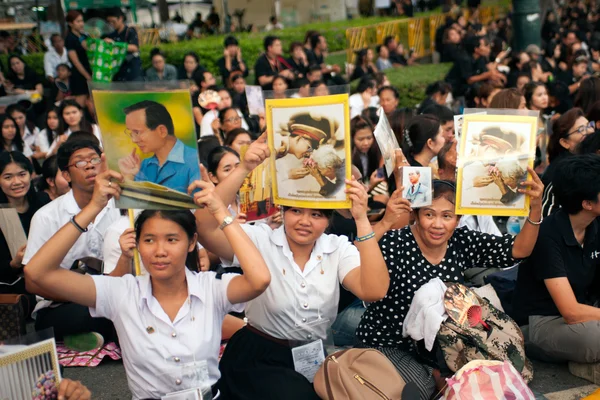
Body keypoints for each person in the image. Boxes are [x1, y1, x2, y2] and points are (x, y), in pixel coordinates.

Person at [24, 161, 271, 399]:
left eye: (172, 239)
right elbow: (38, 272)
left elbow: (259, 279)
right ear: (137, 243)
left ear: (192, 242)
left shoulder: (210, 288)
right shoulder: (121, 293)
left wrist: (219, 212)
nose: (160, 251)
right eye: (149, 240)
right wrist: (93, 207)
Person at [194, 133, 389, 399]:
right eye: (296, 211)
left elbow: (374, 290)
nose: (304, 221)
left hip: (314, 356)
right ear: (282, 211)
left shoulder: (337, 247)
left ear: (328, 220)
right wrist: (244, 168)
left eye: (316, 214)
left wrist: (362, 219)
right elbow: (204, 229)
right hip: (258, 358)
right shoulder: (260, 239)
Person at [356, 174, 544, 398]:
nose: (437, 224)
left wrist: (535, 209)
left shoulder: (460, 241)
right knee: (424, 388)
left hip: (444, 346)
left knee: (495, 381)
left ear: (458, 219)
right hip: (389, 342)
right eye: (429, 214)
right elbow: (356, 252)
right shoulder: (396, 241)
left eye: (447, 216)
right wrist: (386, 222)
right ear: (416, 215)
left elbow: (518, 250)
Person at [23, 137, 122, 345]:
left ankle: (92, 338)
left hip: (113, 295)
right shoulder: (47, 216)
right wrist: (79, 294)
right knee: (84, 315)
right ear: (66, 174)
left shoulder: (121, 207)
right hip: (62, 302)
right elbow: (32, 282)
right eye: (79, 162)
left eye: (94, 159)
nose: (89, 166)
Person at [513, 154, 600, 375]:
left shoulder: (595, 226)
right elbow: (570, 312)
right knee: (594, 338)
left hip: (587, 314)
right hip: (541, 323)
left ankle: (586, 362)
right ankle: (585, 363)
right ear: (587, 204)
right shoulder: (548, 234)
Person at [117, 100, 201, 193]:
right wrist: (128, 178)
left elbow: (200, 205)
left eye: (137, 132)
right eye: (131, 133)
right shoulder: (144, 165)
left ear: (162, 131)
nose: (134, 140)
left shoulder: (195, 161)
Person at [0, 152, 49, 300]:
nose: (17, 182)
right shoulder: (2, 212)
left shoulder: (42, 201)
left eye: (22, 174)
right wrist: (13, 264)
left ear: (31, 175)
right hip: (11, 281)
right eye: (8, 177)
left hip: (46, 272)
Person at [542, 108, 595, 217]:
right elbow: (546, 218)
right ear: (565, 142)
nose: (589, 132)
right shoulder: (564, 172)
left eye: (589, 125)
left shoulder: (588, 161)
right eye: (581, 130)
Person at [104, 8, 142, 82]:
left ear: (121, 18)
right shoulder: (111, 34)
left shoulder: (130, 31)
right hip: (118, 71)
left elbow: (134, 48)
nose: (111, 24)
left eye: (113, 21)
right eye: (109, 22)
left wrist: (115, 44)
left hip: (131, 70)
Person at [207, 146, 244, 221]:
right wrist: (231, 225)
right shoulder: (208, 208)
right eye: (227, 169)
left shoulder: (246, 201)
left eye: (238, 167)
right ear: (213, 177)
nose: (235, 173)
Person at [64, 10, 92, 110]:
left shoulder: (85, 36)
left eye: (82, 21)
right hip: (80, 75)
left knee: (91, 102)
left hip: (90, 71)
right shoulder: (70, 39)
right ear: (70, 23)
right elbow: (76, 62)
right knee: (80, 104)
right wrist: (87, 76)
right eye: (78, 21)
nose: (81, 24)